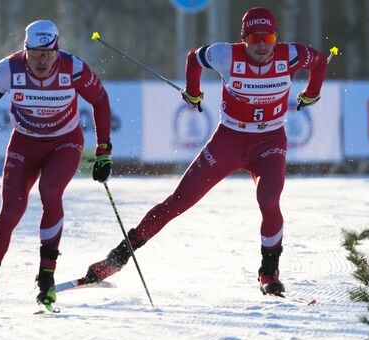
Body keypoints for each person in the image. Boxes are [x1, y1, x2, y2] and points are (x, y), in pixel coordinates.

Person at [84, 7, 327, 297]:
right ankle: (117, 258)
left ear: (276, 37)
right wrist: (193, 91)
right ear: (244, 38)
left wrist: (312, 94)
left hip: (269, 143)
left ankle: (269, 271)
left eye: (269, 37)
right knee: (178, 201)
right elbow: (194, 58)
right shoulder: (226, 55)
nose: (262, 45)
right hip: (230, 140)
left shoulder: (291, 55)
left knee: (269, 200)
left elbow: (320, 62)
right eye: (254, 37)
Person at [0, 20, 113, 313]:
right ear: (25, 49)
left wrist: (104, 151)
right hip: (24, 144)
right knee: (10, 211)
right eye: (36, 53)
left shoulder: (74, 68)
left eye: (48, 53)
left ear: (57, 50)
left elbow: (100, 100)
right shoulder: (8, 69)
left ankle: (46, 279)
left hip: (64, 143)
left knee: (50, 191)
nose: (42, 60)